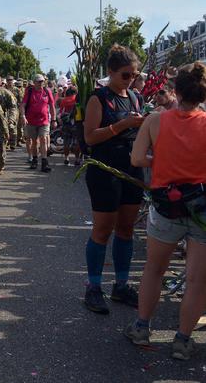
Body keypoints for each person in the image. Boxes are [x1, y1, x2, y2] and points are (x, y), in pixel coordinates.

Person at [126, 62, 206, 360]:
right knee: (198, 280)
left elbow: (136, 159)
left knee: (154, 270)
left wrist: (161, 162)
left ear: (176, 91)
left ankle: (142, 327)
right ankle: (183, 341)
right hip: (201, 207)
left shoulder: (154, 121)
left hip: (166, 205)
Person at [81, 45, 145, 314]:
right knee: (103, 229)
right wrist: (122, 125)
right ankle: (93, 287)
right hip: (104, 170)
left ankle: (121, 284)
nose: (130, 80)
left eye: (133, 75)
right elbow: (90, 137)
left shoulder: (135, 98)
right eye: (125, 75)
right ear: (110, 73)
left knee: (127, 229)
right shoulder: (99, 98)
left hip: (131, 169)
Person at [21, 74, 57, 172]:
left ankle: (44, 162)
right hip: (31, 121)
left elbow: (52, 106)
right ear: (34, 82)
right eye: (38, 81)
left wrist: (54, 120)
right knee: (33, 141)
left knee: (43, 139)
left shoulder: (47, 91)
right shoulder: (29, 91)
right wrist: (23, 116)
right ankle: (35, 159)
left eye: (42, 81)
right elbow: (23, 105)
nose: (40, 83)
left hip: (44, 121)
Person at [0, 75, 17, 175]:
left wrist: (11, 120)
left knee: (0, 144)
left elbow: (13, 108)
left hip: (2, 121)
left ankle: (0, 166)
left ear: (1, 81)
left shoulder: (6, 93)